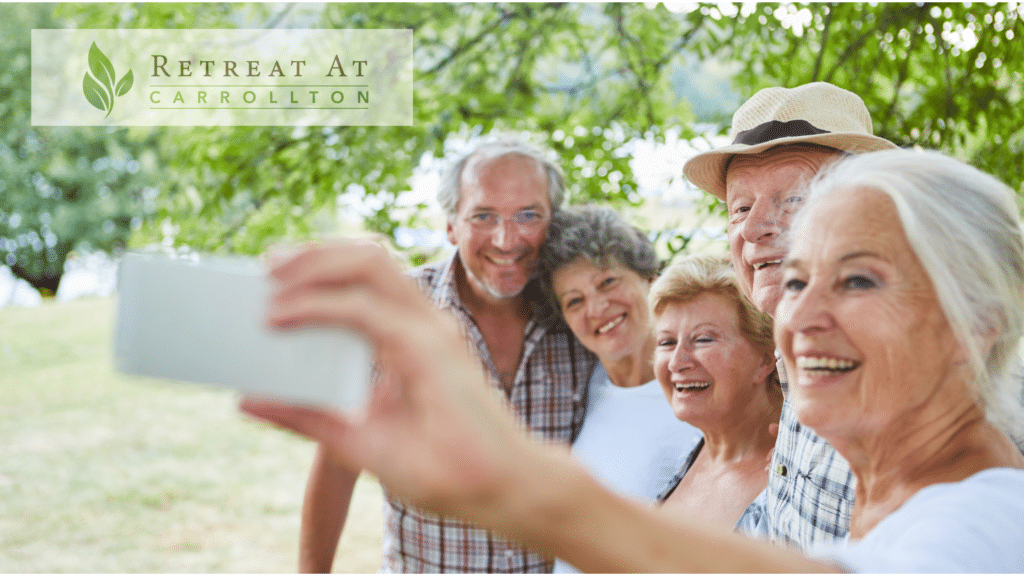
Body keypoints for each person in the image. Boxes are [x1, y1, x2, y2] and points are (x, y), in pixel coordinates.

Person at [242, 148, 1024, 572]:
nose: (800, 316)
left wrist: (513, 483)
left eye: (858, 279)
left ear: (977, 320)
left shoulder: (986, 519)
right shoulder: (880, 494)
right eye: (792, 280)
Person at [296, 140, 598, 573]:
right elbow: (337, 463)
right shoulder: (394, 313)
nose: (506, 238)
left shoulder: (583, 315)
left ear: (554, 222)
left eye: (528, 215)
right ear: (452, 225)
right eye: (483, 216)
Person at [681, 81, 897, 549]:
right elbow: (779, 529)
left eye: (794, 198)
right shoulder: (797, 350)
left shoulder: (924, 373)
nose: (755, 228)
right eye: (740, 207)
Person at [536, 207, 701, 573]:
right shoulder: (581, 387)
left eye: (608, 282)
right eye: (574, 300)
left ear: (649, 278)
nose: (596, 308)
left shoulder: (699, 391)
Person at [648, 254, 780, 537]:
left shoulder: (793, 478)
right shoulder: (694, 450)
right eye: (667, 342)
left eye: (704, 339)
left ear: (766, 359)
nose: (676, 362)